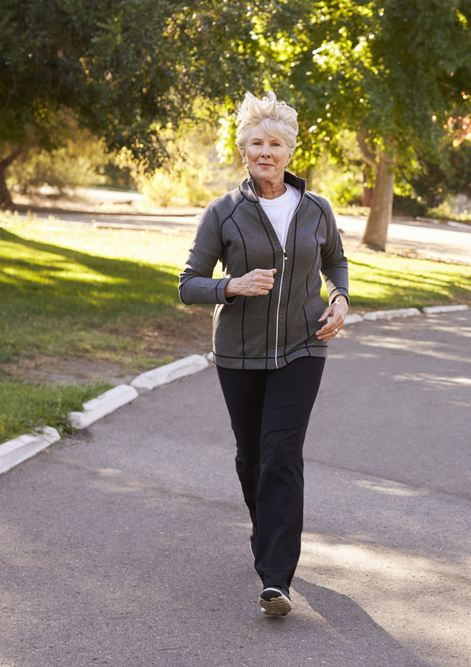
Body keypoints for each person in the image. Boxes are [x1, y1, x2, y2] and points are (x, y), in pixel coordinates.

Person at [179, 91, 349, 616]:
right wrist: (231, 287)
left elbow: (336, 264)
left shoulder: (316, 208)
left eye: (275, 143)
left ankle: (276, 577)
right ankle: (266, 531)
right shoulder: (224, 213)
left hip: (304, 346)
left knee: (281, 454)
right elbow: (188, 285)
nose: (266, 152)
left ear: (290, 151)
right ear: (244, 151)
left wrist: (340, 298)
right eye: (257, 143)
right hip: (240, 351)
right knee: (251, 456)